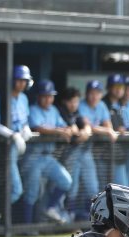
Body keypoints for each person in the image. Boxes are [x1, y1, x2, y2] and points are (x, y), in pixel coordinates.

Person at [22, 80, 73, 224]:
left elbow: (64, 126)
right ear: (38, 96)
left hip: (48, 158)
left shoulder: (54, 111)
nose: (48, 99)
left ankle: (50, 208)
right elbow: (38, 128)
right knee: (32, 193)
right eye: (44, 96)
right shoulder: (32, 109)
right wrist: (58, 131)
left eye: (50, 96)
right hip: (33, 158)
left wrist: (70, 129)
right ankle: (27, 226)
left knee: (66, 181)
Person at [0, 65, 33, 226]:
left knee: (13, 188)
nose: (22, 83)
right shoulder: (0, 97)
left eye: (24, 80)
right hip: (3, 150)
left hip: (19, 149)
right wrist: (13, 135)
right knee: (15, 189)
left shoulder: (24, 99)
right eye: (19, 80)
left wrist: (25, 129)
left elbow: (24, 121)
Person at [77, 80, 117, 219]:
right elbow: (89, 126)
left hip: (89, 151)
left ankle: (87, 219)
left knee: (92, 188)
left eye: (97, 93)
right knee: (74, 188)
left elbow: (109, 126)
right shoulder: (81, 105)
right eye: (91, 93)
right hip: (75, 149)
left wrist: (107, 130)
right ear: (86, 94)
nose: (94, 96)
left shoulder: (101, 106)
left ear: (101, 95)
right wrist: (106, 131)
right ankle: (69, 218)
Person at [57, 86, 95, 221]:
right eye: (71, 102)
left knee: (90, 187)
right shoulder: (60, 111)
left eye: (76, 101)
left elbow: (84, 122)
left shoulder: (76, 111)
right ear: (64, 102)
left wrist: (86, 130)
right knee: (70, 187)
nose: (73, 105)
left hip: (79, 153)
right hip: (62, 155)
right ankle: (68, 215)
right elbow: (69, 128)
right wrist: (76, 131)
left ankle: (88, 218)